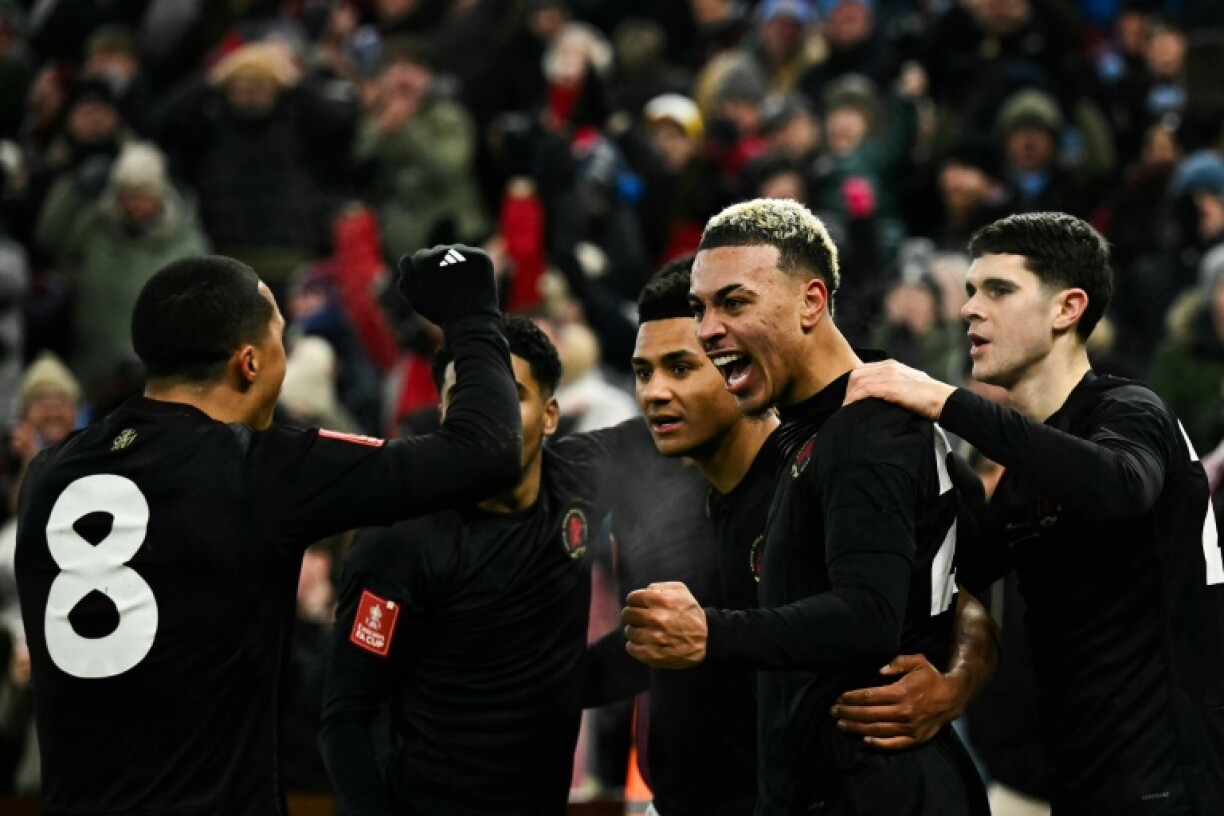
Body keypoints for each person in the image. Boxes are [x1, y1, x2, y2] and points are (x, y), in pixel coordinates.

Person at [14, 246, 521, 816]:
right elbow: (487, 451)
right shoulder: (258, 467)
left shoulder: (47, 473)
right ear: (249, 363)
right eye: (282, 338)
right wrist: (472, 312)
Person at [844, 211, 1224, 815]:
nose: (969, 308)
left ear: (1066, 309)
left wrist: (946, 401)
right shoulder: (1031, 470)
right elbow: (962, 572)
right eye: (970, 290)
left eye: (998, 290)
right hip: (1078, 781)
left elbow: (1120, 487)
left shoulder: (1131, 410)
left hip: (1173, 786)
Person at [586, 260, 997, 815]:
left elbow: (961, 583)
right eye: (642, 372)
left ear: (736, 364)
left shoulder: (829, 468)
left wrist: (957, 681)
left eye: (682, 367)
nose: (655, 392)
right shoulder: (651, 489)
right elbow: (655, 649)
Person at [321, 316, 635, 816]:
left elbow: (684, 424)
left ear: (550, 415)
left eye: (512, 395)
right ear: (444, 412)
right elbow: (346, 715)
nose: (489, 415)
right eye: (466, 397)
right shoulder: (400, 537)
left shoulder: (579, 479)